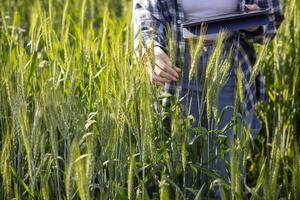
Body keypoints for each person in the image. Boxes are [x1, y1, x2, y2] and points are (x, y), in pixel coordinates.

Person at [133, 0, 284, 198]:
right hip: (177, 66)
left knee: (225, 170)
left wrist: (255, 23)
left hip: (231, 63)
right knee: (184, 168)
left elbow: (272, 19)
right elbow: (146, 14)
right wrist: (152, 49)